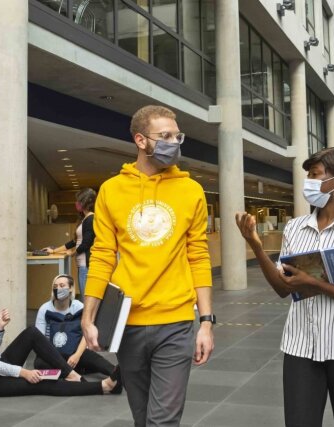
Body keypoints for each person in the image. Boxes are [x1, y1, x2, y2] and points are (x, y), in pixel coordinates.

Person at [81, 105, 214, 427]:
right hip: (128, 323)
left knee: (162, 421)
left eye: (177, 135)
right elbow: (101, 256)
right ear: (141, 140)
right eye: (165, 136)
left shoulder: (191, 191)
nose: (174, 142)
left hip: (176, 321)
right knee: (142, 418)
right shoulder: (112, 191)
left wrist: (207, 322)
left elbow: (198, 255)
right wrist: (88, 317)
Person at [235, 147, 334, 427]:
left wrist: (313, 283)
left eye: (315, 174)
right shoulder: (295, 228)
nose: (308, 181)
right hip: (301, 349)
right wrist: (256, 246)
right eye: (308, 175)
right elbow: (283, 288)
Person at [0, 277, 119, 397]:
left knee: (31, 333)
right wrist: (24, 373)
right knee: (41, 382)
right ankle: (102, 387)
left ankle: (71, 374)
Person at [33, 273, 121, 392]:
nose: (58, 288)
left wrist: (77, 355)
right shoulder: (45, 309)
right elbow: (39, 340)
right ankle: (75, 371)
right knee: (39, 363)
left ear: (70, 289)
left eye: (62, 285)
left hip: (73, 351)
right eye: (55, 286)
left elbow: (86, 332)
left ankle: (117, 374)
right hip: (52, 354)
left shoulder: (79, 306)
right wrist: (55, 358)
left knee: (90, 356)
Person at [43, 188, 97, 299]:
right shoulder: (85, 219)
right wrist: (54, 250)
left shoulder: (91, 219)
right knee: (84, 297)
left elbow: (86, 244)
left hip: (86, 266)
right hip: (81, 265)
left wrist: (71, 253)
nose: (76, 203)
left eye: (79, 200)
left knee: (85, 298)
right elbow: (74, 242)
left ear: (85, 201)